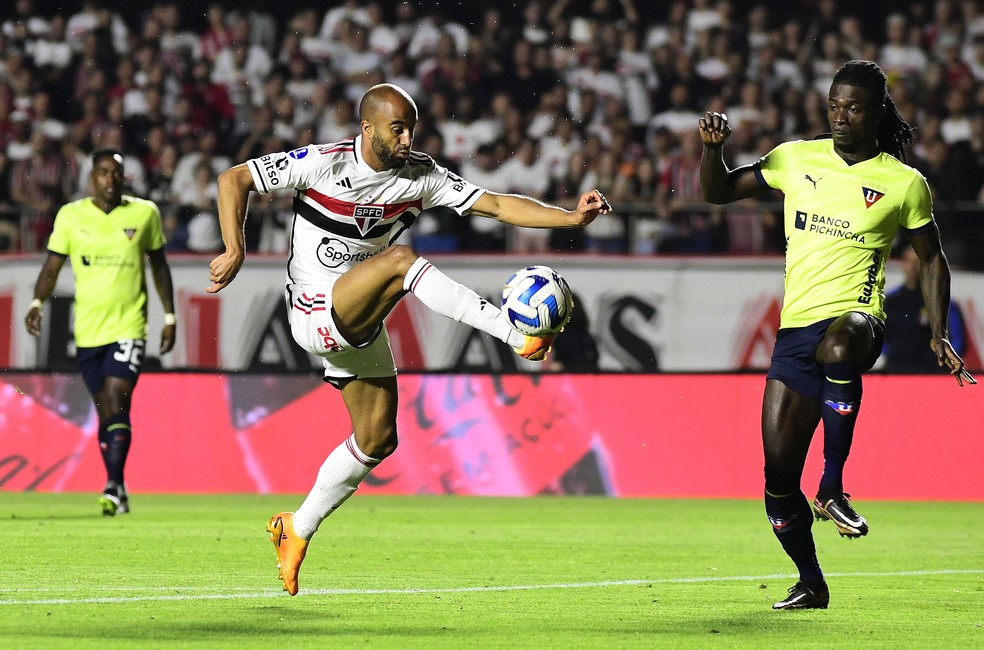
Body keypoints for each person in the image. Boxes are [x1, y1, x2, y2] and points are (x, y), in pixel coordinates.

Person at [206, 83, 611, 596]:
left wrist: (570, 218)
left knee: (378, 438)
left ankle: (296, 527)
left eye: (411, 128)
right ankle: (513, 334)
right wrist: (235, 248)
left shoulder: (420, 175)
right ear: (367, 128)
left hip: (358, 312)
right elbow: (233, 178)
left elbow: (499, 206)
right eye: (397, 128)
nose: (406, 138)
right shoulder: (322, 163)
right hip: (313, 310)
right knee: (400, 263)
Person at [697, 60, 976, 611]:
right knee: (777, 483)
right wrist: (711, 150)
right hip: (795, 333)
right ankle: (811, 582)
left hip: (858, 318)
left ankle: (832, 486)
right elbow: (719, 192)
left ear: (876, 113)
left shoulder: (903, 183)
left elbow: (933, 259)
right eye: (834, 105)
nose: (841, 116)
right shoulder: (795, 158)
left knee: (843, 345)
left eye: (853, 107)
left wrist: (938, 331)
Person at [24, 148, 176, 516]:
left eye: (116, 173)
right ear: (92, 178)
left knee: (118, 397)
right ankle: (118, 486)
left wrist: (169, 316)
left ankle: (110, 484)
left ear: (125, 177)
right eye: (103, 172)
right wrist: (36, 303)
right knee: (107, 410)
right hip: (88, 332)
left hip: (129, 326)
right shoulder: (71, 216)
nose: (110, 179)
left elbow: (159, 267)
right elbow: (51, 267)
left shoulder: (144, 214)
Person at [882, 245, 967, 372]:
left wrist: (942, 363)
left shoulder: (940, 300)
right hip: (896, 370)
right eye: (908, 261)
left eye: (917, 262)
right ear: (902, 264)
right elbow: (880, 336)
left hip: (931, 372)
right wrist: (892, 353)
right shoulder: (890, 301)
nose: (912, 267)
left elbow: (958, 340)